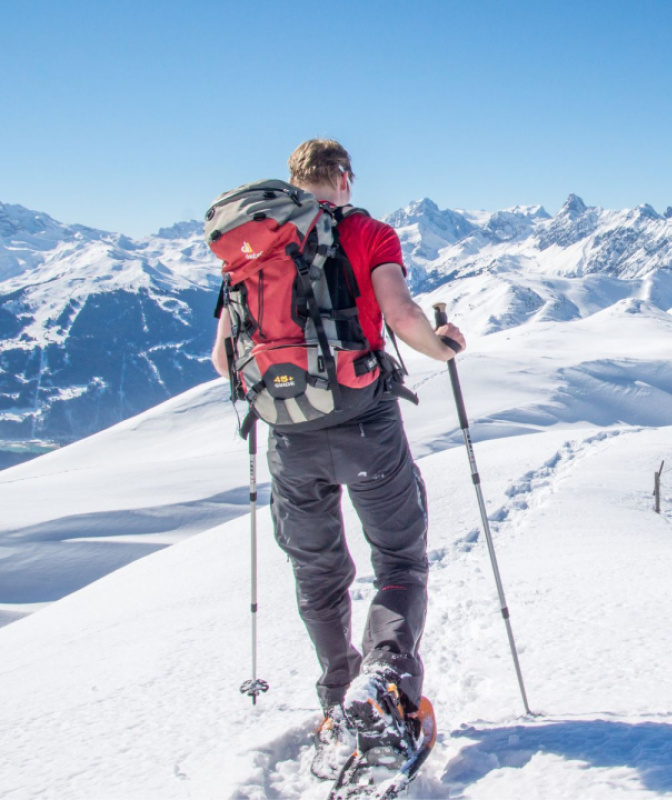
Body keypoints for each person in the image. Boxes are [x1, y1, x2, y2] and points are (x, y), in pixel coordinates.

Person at [210, 139, 465, 769]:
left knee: (319, 574)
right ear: (345, 178)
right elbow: (402, 314)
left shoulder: (254, 245)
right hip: (364, 422)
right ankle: (383, 685)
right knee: (400, 558)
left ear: (295, 182)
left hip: (288, 435)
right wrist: (444, 347)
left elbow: (223, 359)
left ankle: (335, 698)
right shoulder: (367, 231)